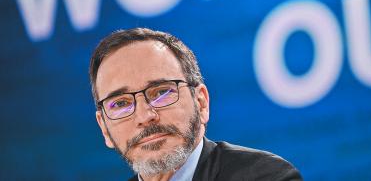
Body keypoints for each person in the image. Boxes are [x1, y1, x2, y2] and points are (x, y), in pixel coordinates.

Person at [89, 27, 303, 181]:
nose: (145, 116)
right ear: (104, 128)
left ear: (201, 102)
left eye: (162, 92)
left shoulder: (268, 176)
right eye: (120, 104)